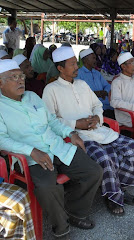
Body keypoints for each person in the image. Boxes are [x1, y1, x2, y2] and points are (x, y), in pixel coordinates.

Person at [0, 59, 103, 239]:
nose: (20, 80)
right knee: (48, 187)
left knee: (94, 171)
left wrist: (71, 133)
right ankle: (61, 226)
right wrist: (31, 150)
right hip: (31, 159)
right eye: (13, 77)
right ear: (0, 83)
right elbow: (2, 140)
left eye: (21, 76)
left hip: (57, 146)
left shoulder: (32, 96)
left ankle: (75, 211)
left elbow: (52, 121)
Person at [43, 46, 134, 217]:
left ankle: (119, 188)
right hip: (78, 136)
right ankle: (113, 197)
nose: (76, 67)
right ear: (60, 68)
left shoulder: (82, 84)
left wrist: (97, 117)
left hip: (98, 130)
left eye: (76, 63)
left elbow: (98, 105)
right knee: (105, 158)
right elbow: (49, 121)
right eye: (72, 64)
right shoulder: (51, 90)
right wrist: (75, 124)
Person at [77, 48, 114, 118]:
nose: (95, 61)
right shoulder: (79, 74)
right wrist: (96, 94)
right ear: (85, 60)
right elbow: (79, 92)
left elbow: (107, 85)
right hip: (91, 108)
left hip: (105, 104)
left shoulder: (97, 73)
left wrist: (104, 92)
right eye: (93, 58)